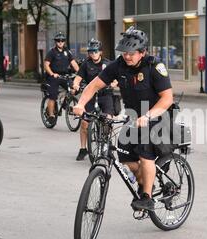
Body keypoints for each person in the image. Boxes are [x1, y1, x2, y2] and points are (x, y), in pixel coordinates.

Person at [73, 27, 174, 211]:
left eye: (131, 53)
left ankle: (147, 197)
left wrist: (148, 115)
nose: (127, 56)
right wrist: (80, 104)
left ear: (142, 52)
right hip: (134, 117)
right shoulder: (118, 66)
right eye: (124, 52)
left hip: (157, 115)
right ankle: (144, 181)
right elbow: (94, 85)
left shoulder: (154, 67)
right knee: (124, 156)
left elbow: (167, 98)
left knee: (145, 153)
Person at [72, 38, 116, 161]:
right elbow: (78, 78)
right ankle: (83, 149)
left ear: (100, 52)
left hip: (105, 95)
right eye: (91, 51)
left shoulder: (108, 64)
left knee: (108, 119)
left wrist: (114, 83)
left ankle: (106, 144)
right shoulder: (86, 64)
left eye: (95, 51)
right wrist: (75, 84)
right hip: (90, 96)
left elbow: (116, 78)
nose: (93, 53)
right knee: (85, 123)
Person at [44, 32, 79, 125]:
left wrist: (80, 73)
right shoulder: (52, 52)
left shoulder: (67, 52)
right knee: (53, 95)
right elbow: (46, 65)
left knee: (73, 89)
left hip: (64, 76)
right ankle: (51, 115)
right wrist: (52, 74)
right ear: (55, 42)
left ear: (64, 42)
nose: (60, 42)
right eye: (58, 40)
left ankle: (65, 105)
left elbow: (74, 63)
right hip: (54, 76)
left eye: (62, 40)